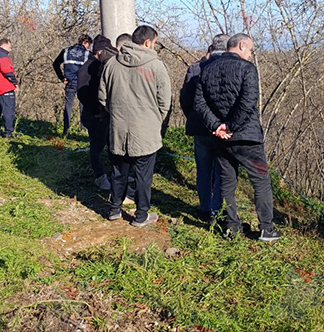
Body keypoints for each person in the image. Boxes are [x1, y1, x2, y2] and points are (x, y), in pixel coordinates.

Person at [193, 33, 281, 242]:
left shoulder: (207, 69)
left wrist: (217, 126)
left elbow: (199, 103)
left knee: (227, 182)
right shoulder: (247, 69)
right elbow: (248, 101)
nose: (250, 55)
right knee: (260, 181)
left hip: (221, 139)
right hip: (247, 138)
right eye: (249, 50)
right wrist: (231, 126)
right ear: (241, 46)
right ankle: (267, 228)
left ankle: (231, 226)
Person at [99, 25, 171, 227]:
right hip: (146, 131)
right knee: (143, 175)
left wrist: (117, 114)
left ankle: (114, 209)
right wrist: (155, 121)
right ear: (148, 42)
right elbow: (165, 102)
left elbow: (102, 97)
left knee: (118, 172)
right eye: (155, 42)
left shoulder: (112, 63)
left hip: (118, 129)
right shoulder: (156, 66)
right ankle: (141, 216)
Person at [180, 34, 229, 221]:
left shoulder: (195, 68)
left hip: (199, 126)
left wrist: (192, 117)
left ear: (210, 48)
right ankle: (217, 209)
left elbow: (185, 98)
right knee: (221, 171)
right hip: (223, 128)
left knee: (203, 169)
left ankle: (204, 207)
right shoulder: (231, 68)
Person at [77, 35, 118, 190]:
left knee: (111, 144)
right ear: (99, 51)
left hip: (105, 113)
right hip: (94, 114)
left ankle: (116, 175)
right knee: (97, 145)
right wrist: (96, 111)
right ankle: (100, 176)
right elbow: (82, 93)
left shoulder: (106, 65)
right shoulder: (87, 68)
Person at [53, 34, 92, 135]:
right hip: (83, 83)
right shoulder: (88, 53)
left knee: (68, 105)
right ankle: (83, 128)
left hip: (69, 82)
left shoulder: (66, 51)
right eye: (89, 45)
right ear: (86, 43)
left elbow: (55, 64)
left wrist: (61, 77)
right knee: (84, 105)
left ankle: (66, 129)